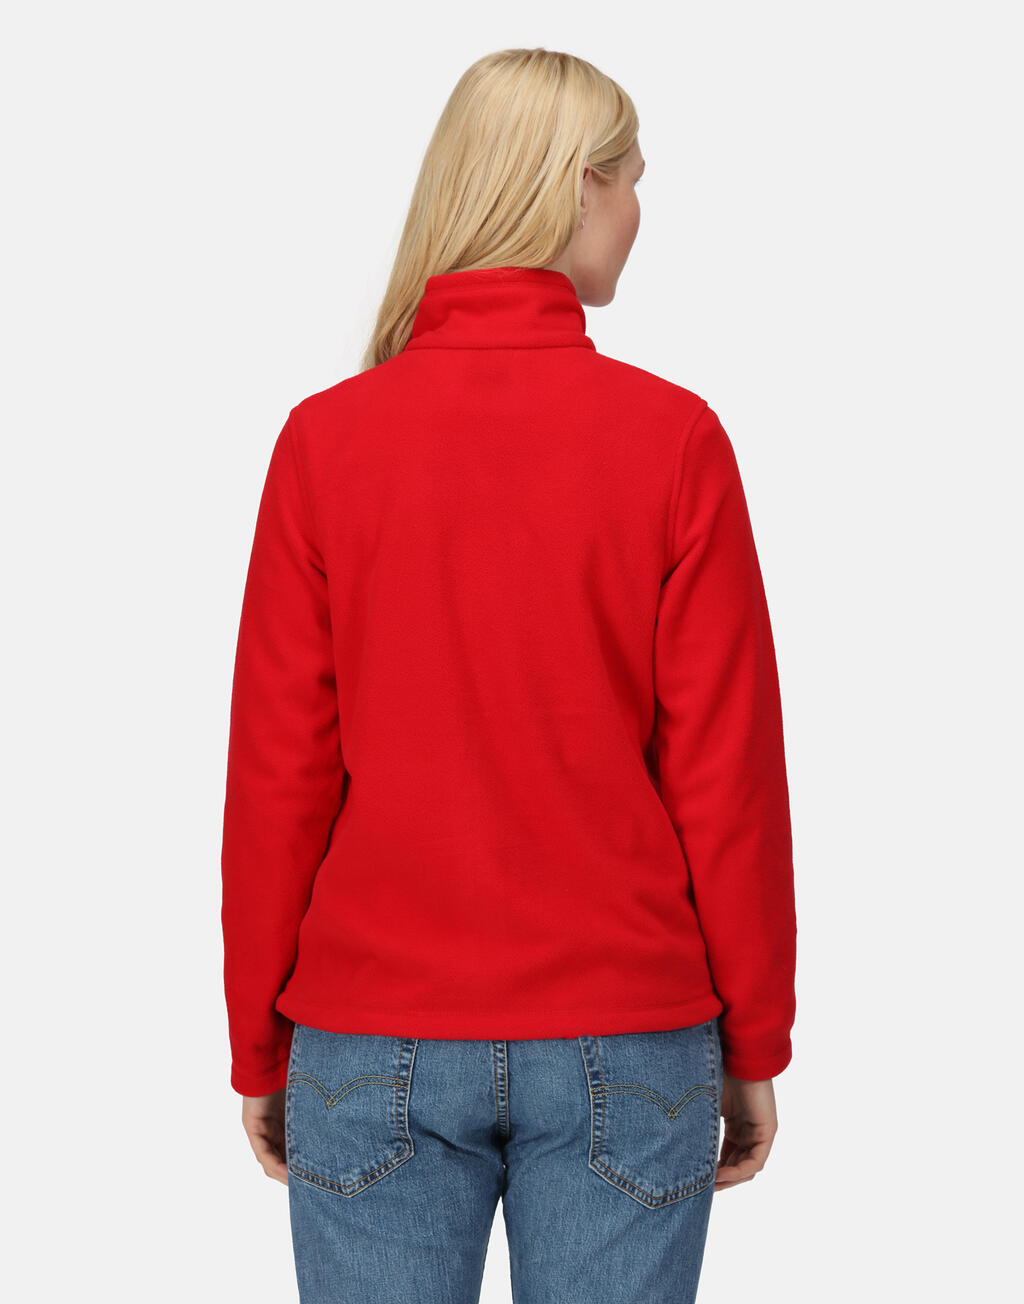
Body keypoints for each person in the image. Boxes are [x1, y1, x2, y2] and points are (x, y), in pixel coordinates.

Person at [220, 46, 797, 1304]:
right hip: (628, 1033)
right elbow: (727, 780)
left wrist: (260, 1039)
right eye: (633, 180)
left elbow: (278, 777)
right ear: (578, 186)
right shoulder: (673, 440)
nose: (639, 211)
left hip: (369, 1032)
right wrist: (754, 1034)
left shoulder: (325, 443)